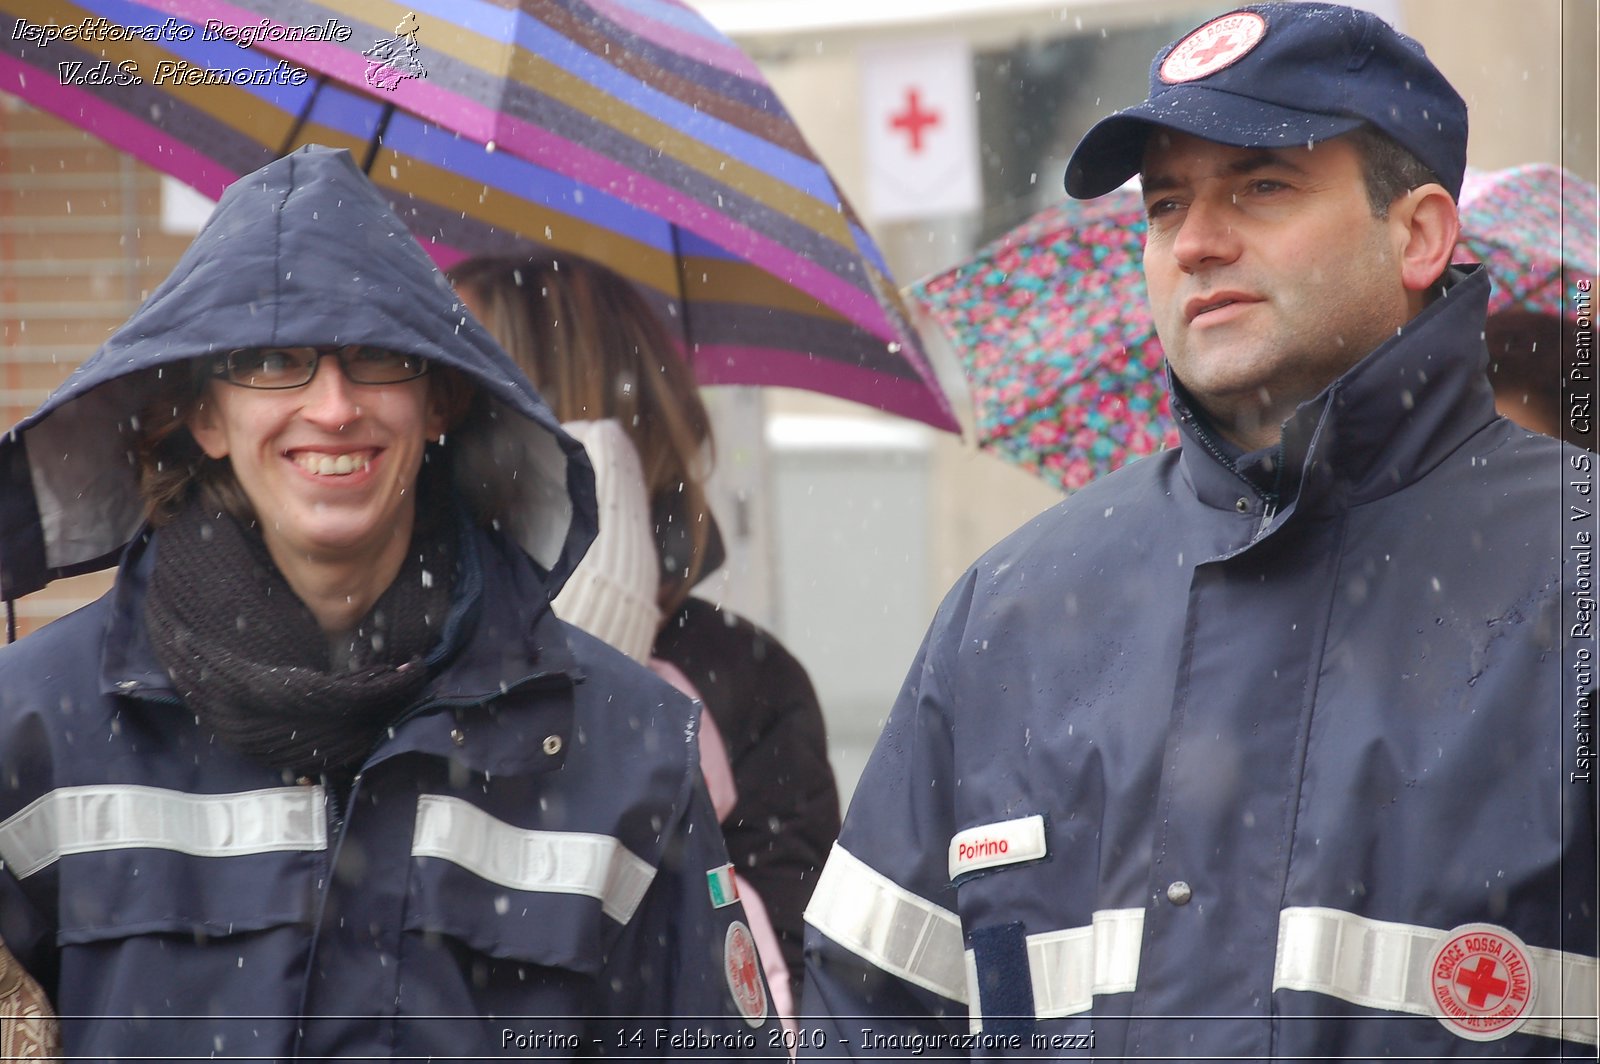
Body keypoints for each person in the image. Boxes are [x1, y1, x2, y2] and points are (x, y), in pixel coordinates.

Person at [802, 4, 1597, 1058]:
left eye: (1261, 185)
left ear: (1416, 233)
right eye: (1165, 202)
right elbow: (868, 1013)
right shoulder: (1012, 608)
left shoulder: (1576, 567)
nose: (1196, 240)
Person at [0, 146, 777, 1058]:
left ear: (441, 399)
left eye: (376, 358)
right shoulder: (34, 729)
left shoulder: (624, 750)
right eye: (274, 358)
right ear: (204, 416)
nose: (332, 408)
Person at [449, 254, 841, 1007]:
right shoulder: (394, 631)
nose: (428, 408)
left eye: (461, 375)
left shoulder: (746, 687)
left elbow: (779, 998)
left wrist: (601, 681)